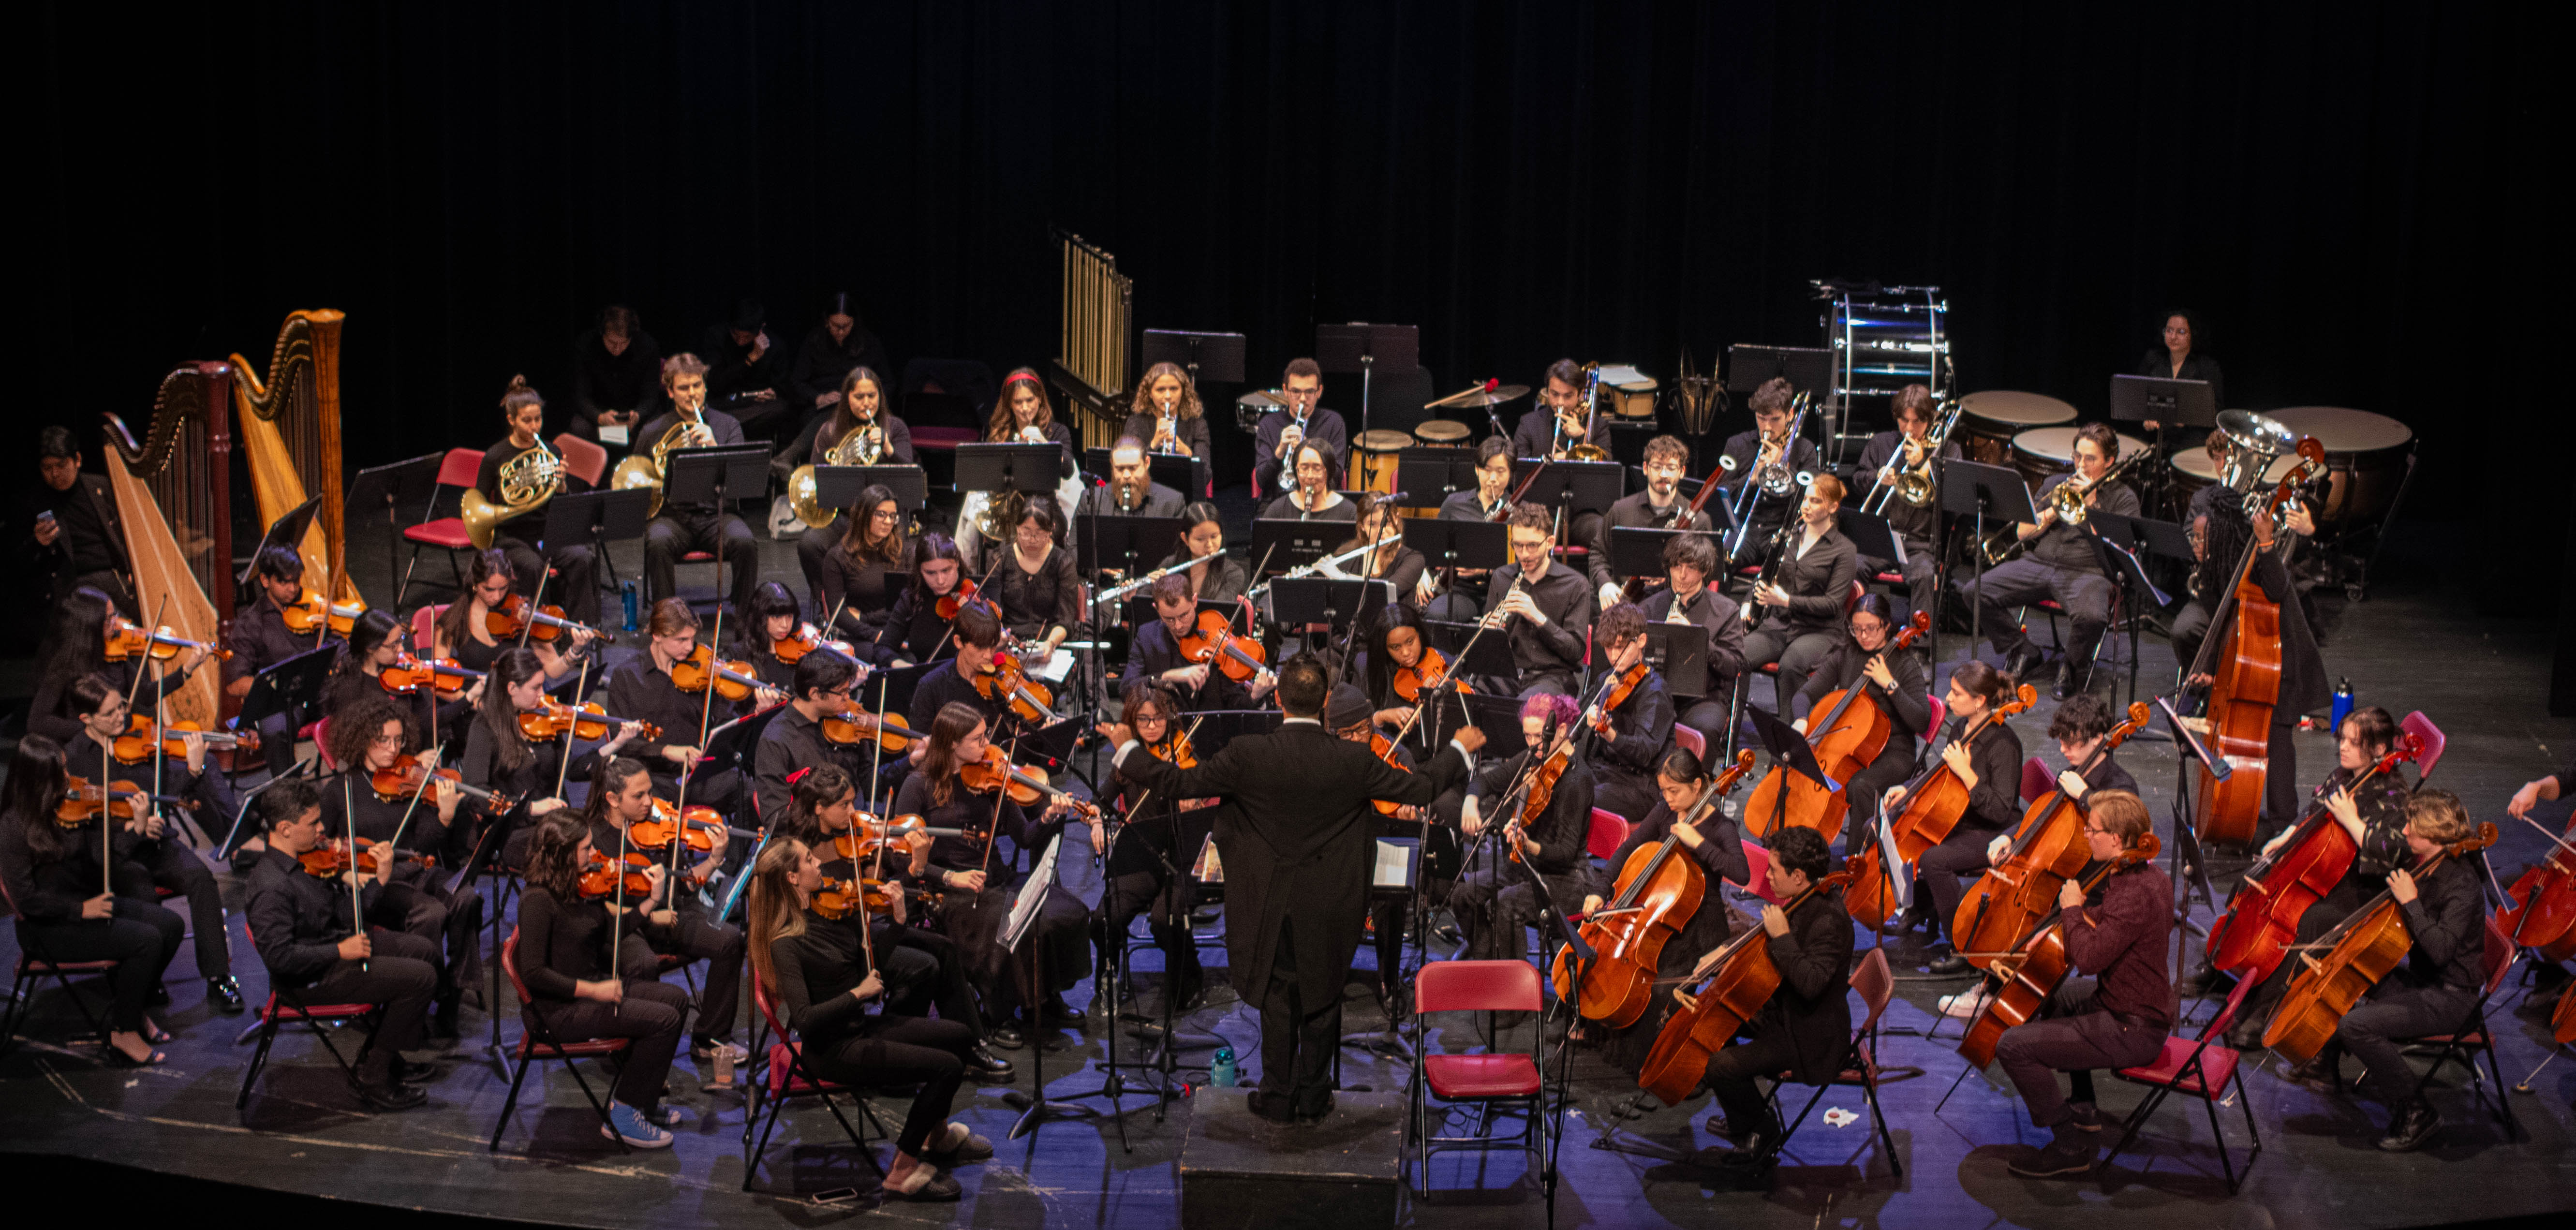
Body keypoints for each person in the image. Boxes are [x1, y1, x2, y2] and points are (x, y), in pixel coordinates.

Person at [1098, 656, 1482, 1122]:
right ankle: (1316, 1095)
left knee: (1278, 994)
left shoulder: (1246, 754)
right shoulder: (1354, 758)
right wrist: (1458, 749)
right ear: (1324, 702)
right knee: (1323, 994)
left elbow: (1178, 782)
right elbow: (1421, 788)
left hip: (1267, 899)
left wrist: (1127, 751)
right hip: (1331, 900)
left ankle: (1277, 1095)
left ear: (1278, 699)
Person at [746, 836, 996, 1199]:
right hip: (834, 1049)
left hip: (858, 1029)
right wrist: (858, 995)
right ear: (792, 878)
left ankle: (936, 1135)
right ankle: (903, 1168)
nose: (820, 864)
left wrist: (897, 920)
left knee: (959, 1036)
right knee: (947, 1067)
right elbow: (805, 1019)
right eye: (810, 860)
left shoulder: (822, 913)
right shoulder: (785, 942)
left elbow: (865, 963)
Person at [771, 766, 1014, 1078]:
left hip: (860, 927)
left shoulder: (854, 838)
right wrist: (909, 874)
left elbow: (886, 886)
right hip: (839, 945)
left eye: (852, 802)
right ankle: (898, 1052)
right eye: (844, 805)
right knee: (924, 965)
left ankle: (971, 1041)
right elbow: (861, 902)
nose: (854, 812)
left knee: (943, 947)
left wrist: (923, 869)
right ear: (819, 808)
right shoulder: (804, 856)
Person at [1989, 789, 2172, 1178]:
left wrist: (2071, 908)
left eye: (2093, 829)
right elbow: (2106, 917)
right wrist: (2062, 927)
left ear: (2117, 841)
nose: (2086, 834)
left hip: (2130, 1025)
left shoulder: (2135, 894)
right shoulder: (2147, 875)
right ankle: (2084, 1106)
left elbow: (2089, 959)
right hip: (2126, 1002)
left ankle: (2069, 1145)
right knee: (2053, 994)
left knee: (2013, 1045)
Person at [2217, 708, 2415, 1057]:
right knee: (2253, 877)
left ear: (2381, 750)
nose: (2344, 748)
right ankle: (2222, 962)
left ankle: (2266, 1010)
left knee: (2309, 920)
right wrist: (2287, 835)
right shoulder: (2345, 773)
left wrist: (2354, 822)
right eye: (2344, 739)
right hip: (2325, 874)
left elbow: (2395, 850)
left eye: (2356, 742)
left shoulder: (2395, 794)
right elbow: (2312, 809)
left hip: (2360, 889)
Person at [891, 702, 1087, 1048]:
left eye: (986, 737)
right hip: (949, 888)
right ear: (952, 742)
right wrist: (952, 876)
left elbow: (1025, 837)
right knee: (1013, 924)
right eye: (978, 739)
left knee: (1064, 912)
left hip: (995, 877)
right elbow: (903, 859)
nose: (987, 746)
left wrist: (1049, 816)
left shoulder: (992, 777)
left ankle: (1043, 998)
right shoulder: (917, 785)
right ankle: (1001, 1012)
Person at [244, 779, 442, 1111]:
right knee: (421, 977)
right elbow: (280, 958)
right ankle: (374, 1074)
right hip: (310, 978)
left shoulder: (310, 862)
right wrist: (339, 951)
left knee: (425, 951)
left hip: (335, 948)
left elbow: (346, 916)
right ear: (285, 829)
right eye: (314, 823)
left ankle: (383, 1052)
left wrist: (379, 878)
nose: (324, 829)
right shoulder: (271, 888)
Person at [2307, 788, 2487, 1152]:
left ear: (2434, 836)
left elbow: (2439, 951)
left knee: (2357, 1024)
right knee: (2352, 976)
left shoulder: (2463, 886)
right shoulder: (2428, 863)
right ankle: (2325, 1062)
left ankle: (2419, 1112)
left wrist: (2412, 902)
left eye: (2412, 826)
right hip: (2426, 983)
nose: (2404, 831)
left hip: (2453, 999)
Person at [57, 674, 243, 1012]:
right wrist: (132, 826)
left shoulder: (136, 741)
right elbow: (86, 827)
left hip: (155, 840)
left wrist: (194, 767)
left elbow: (169, 790)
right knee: (141, 893)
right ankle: (148, 976)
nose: (121, 717)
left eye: (122, 707)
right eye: (111, 713)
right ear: (86, 719)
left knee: (201, 878)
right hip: (116, 852)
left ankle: (219, 977)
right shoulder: (75, 758)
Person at [0, 736, 185, 1066]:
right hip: (48, 926)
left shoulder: (73, 809)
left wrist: (135, 827)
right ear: (38, 781)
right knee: (146, 941)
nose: (71, 778)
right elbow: (26, 900)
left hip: (88, 903)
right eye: (62, 771)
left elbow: (104, 860)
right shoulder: (13, 827)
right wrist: (80, 909)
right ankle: (123, 1029)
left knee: (171, 925)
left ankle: (130, 1005)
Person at [511, 809, 691, 1147]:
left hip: (587, 993)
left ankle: (644, 1101)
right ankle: (623, 1113)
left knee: (677, 1000)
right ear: (563, 854)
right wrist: (594, 989)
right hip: (556, 1011)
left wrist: (652, 900)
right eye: (587, 849)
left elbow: (613, 931)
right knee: (662, 1019)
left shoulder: (575, 888)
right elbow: (533, 974)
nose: (596, 855)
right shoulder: (537, 900)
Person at [319, 693, 487, 1035]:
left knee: (466, 896)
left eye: (398, 740)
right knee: (431, 913)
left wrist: (443, 816)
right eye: (383, 741)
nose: (393, 749)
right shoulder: (341, 790)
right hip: (376, 882)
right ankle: (423, 992)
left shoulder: (412, 780)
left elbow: (423, 846)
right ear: (361, 740)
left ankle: (454, 991)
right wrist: (348, 871)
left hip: (417, 870)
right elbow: (322, 845)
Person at [1683, 826, 1851, 1160]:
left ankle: (1762, 1129)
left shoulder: (1829, 919)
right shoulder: (1804, 899)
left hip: (1809, 1033)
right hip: (1785, 1011)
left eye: (1774, 869)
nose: (1768, 876)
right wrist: (1726, 952)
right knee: (1712, 1024)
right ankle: (1744, 1117)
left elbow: (1811, 983)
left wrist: (1783, 937)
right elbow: (1764, 939)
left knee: (1721, 1065)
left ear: (1799, 875)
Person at [1580, 748, 1752, 1070]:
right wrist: (1600, 890)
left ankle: (1657, 1061)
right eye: (1664, 791)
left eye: (1675, 791)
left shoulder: (1720, 827)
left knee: (1659, 987)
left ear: (1699, 785)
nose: (1668, 798)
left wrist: (1697, 842)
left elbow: (1741, 872)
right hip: (1661, 912)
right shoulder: (1663, 813)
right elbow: (1628, 849)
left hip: (1701, 923)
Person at [2173, 492, 2326, 836]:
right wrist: (2212, 667)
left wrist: (2267, 543)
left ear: (2222, 537)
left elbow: (2277, 588)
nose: (2195, 544)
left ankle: (2284, 824)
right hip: (2252, 653)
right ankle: (2242, 812)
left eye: (2201, 537)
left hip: (2281, 651)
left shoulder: (2255, 559)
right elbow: (2222, 622)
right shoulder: (2214, 569)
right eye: (2194, 537)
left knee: (2279, 736)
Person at [580, 757, 747, 1067]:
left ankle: (710, 1038)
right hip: (626, 926)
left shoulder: (659, 829)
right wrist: (646, 914)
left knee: (729, 940)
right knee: (642, 963)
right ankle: (636, 1054)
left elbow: (684, 885)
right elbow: (593, 904)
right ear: (613, 800)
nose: (649, 802)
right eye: (639, 796)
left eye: (649, 793)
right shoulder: (594, 839)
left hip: (670, 918)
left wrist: (714, 859)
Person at [1964, 421, 2140, 699]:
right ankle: (2023, 649)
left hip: (2090, 572)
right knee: (1975, 591)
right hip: (2040, 563)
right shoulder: (2056, 485)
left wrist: (2092, 506)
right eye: (2077, 457)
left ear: (2110, 461)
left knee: (2093, 617)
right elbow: (2022, 532)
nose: (2081, 466)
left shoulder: (2124, 498)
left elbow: (2121, 551)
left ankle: (2071, 667)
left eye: (2090, 459)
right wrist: (2050, 514)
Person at [1880, 661, 2025, 972]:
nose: (1947, 699)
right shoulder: (1961, 727)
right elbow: (1942, 773)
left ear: (1979, 701)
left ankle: (1962, 946)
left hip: (1992, 830)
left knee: (1935, 859)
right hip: (1957, 814)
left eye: (1957, 694)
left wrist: (1967, 773)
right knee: (1886, 825)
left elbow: (2000, 810)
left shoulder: (2005, 745)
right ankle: (1918, 905)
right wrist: (1908, 789)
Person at [1450, 694, 1603, 987]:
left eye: (1539, 735)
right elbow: (1486, 781)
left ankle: (1516, 993)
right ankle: (1489, 965)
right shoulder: (1533, 758)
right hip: (1528, 866)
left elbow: (1566, 852)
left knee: (1506, 904)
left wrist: (1528, 844)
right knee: (1464, 894)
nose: (1532, 743)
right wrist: (1470, 802)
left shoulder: (1576, 779)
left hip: (1566, 877)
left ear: (1561, 730)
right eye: (1527, 735)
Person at [1092, 681, 1218, 1010]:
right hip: (1144, 857)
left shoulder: (1182, 752)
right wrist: (1094, 821)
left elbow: (1205, 800)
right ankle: (1109, 977)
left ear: (1170, 718)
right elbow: (1101, 801)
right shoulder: (1127, 759)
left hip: (1182, 858)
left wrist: (1194, 807)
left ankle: (1189, 975)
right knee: (1106, 917)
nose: (1151, 727)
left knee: (1166, 920)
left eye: (1158, 719)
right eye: (1144, 720)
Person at [1783, 595, 1931, 858]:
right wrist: (1801, 720)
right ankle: (1796, 853)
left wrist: (1890, 685)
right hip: (1849, 746)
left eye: (1871, 629)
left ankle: (1857, 864)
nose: (1863, 636)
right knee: (1796, 764)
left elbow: (1921, 720)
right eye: (1857, 628)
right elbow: (1804, 695)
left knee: (1860, 786)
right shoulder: (1846, 655)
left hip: (1893, 751)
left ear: (1887, 626)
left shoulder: (1904, 664)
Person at [465, 648, 644, 854]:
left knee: (610, 831)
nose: (543, 694)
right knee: (574, 847)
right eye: (536, 688)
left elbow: (572, 769)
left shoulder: (543, 720)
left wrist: (616, 743)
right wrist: (531, 808)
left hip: (555, 822)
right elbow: (475, 793)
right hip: (513, 830)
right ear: (512, 688)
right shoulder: (484, 727)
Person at [605, 597, 771, 812]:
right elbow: (620, 740)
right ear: (657, 635)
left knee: (750, 794)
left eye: (692, 639)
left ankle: (727, 847)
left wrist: (758, 712)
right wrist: (665, 750)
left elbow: (726, 722)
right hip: (654, 780)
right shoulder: (626, 677)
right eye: (681, 640)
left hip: (699, 776)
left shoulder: (703, 670)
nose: (690, 647)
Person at [636, 353, 762, 617]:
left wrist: (715, 447)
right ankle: (667, 620)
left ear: (705, 386)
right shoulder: (653, 431)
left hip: (717, 515)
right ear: (670, 392)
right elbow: (639, 478)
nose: (692, 393)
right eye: (683, 388)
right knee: (657, 541)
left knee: (745, 541)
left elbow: (741, 484)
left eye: (697, 385)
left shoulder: (728, 426)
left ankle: (746, 620)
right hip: (673, 517)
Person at [473, 376, 603, 626]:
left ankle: (579, 630)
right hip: (512, 536)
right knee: (532, 567)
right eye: (527, 420)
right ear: (511, 420)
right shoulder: (496, 456)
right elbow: (479, 499)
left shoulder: (551, 452)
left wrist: (563, 485)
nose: (535, 426)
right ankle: (540, 632)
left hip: (548, 532)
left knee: (583, 558)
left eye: (538, 419)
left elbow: (563, 505)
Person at [28, 585, 209, 749]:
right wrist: (91, 729)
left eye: (115, 614)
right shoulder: (65, 665)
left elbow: (145, 695)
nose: (117, 622)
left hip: (119, 743)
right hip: (87, 748)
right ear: (92, 624)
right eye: (109, 619)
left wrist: (187, 670)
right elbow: (37, 722)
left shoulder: (115, 653)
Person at [787, 367, 915, 600]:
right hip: (845, 516)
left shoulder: (895, 428)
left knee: (900, 550)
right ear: (847, 398)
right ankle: (831, 605)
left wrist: (889, 449)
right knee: (809, 544)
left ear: (880, 396)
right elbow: (817, 480)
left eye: (872, 396)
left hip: (887, 516)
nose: (867, 403)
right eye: (859, 397)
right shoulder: (830, 431)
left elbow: (909, 476)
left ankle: (891, 609)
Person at [1740, 474, 1859, 716]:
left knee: (1791, 665)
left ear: (1833, 507)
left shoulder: (1844, 550)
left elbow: (1833, 604)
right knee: (1737, 656)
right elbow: (1764, 574)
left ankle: (1790, 744)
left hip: (1819, 631)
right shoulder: (1788, 538)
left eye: (1815, 501)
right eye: (1805, 500)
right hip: (1780, 625)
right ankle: (1727, 735)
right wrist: (1747, 603)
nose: (1806, 506)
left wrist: (1786, 601)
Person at [1852, 385, 1959, 622]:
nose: (1910, 429)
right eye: (1904, 420)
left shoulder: (1949, 449)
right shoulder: (1881, 444)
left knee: (1924, 576)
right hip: (1882, 537)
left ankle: (1919, 648)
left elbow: (1954, 502)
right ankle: (1855, 633)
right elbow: (1857, 480)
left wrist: (1925, 464)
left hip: (1920, 543)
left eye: (1918, 421)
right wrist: (1876, 477)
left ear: (1931, 419)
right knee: (1852, 565)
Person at [1638, 533, 1747, 754]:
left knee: (1703, 730)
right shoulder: (1648, 608)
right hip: (1655, 693)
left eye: (1691, 568)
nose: (1682, 575)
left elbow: (1735, 665)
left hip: (1704, 698)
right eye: (1677, 566)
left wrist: (1697, 640)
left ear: (1705, 571)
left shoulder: (1726, 611)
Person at [21, 425, 137, 623]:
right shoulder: (36, 501)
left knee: (141, 624)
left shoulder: (100, 487)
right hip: (73, 585)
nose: (55, 474)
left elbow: (126, 532)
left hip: (113, 578)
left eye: (61, 465)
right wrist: (38, 542)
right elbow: (19, 560)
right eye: (47, 468)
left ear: (78, 460)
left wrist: (133, 569)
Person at [432, 548, 598, 682]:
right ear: (475, 585)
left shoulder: (522, 614)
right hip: (477, 706)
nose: (497, 597)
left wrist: (575, 650)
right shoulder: (454, 619)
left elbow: (554, 670)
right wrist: (469, 701)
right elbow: (439, 679)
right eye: (489, 589)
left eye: (503, 588)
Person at [1480, 501, 1592, 697]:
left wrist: (1538, 617)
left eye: (1532, 545)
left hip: (1553, 678)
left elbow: (1575, 651)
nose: (1524, 554)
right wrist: (1487, 632)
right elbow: (1491, 649)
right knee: (1468, 695)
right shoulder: (1502, 578)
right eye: (1518, 545)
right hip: (1508, 674)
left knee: (1528, 708)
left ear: (1550, 542)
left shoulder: (1575, 584)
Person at [1122, 574, 1275, 713]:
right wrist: (1168, 676)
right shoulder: (1147, 636)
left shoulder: (1217, 635)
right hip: (1163, 730)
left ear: (1194, 601)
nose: (1178, 626)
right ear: (1156, 609)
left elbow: (1234, 705)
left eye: (1184, 615)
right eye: (1169, 619)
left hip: (1211, 733)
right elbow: (1125, 689)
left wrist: (1255, 696)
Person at [1588, 434, 1711, 608]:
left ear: (1682, 472)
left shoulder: (1699, 520)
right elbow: (1598, 553)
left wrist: (1671, 577)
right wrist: (1605, 584)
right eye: (1657, 467)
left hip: (1674, 607)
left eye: (1671, 468)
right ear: (1646, 468)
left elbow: (1707, 574)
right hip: (1625, 604)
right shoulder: (1621, 509)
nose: (1663, 474)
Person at [1713, 378, 1823, 565]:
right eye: (1761, 419)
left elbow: (1813, 498)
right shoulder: (1737, 444)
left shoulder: (1805, 449)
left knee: (1790, 566)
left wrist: (1785, 467)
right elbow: (1722, 497)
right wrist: (1753, 477)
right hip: (1743, 529)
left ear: (1790, 416)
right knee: (1716, 559)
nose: (1767, 427)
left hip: (1780, 530)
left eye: (1775, 419)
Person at [321, 607, 482, 734]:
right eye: (394, 645)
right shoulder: (350, 690)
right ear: (370, 648)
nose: (402, 650)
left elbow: (427, 723)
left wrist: (469, 698)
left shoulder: (404, 677)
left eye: (402, 640)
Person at [751, 649, 864, 829]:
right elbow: (775, 817)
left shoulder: (845, 725)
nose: (848, 698)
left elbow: (870, 780)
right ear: (814, 694)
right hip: (809, 843)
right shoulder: (776, 740)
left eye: (848, 690)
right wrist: (827, 815)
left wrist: (909, 762)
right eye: (842, 692)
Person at [1585, 603, 1675, 825]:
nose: (1614, 657)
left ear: (1641, 641)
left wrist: (1611, 735)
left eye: (1621, 648)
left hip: (1638, 786)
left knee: (1578, 797)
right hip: (1604, 772)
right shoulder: (1606, 680)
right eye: (1608, 648)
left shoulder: (1655, 692)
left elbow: (1645, 751)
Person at [1425, 437, 1516, 622]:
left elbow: (1525, 564)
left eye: (1500, 472)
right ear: (1476, 469)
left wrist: (1485, 570)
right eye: (1487, 470)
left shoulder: (1520, 511)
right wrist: (1422, 575)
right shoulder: (1454, 503)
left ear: (1511, 473)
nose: (1493, 479)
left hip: (1504, 592)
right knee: (1437, 614)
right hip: (1461, 591)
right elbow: (1432, 550)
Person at [814, 484, 911, 647]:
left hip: (896, 628)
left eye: (893, 516)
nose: (888, 522)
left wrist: (866, 617)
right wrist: (876, 635)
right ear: (864, 515)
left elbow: (907, 605)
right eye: (881, 515)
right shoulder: (837, 557)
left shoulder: (904, 552)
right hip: (859, 635)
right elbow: (839, 614)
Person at [983, 498, 1080, 660]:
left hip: (1049, 643)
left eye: (1039, 533)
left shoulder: (1064, 563)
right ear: (1017, 527)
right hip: (1008, 645)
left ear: (1051, 530)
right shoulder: (1000, 559)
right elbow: (991, 610)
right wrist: (1000, 635)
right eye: (1026, 532)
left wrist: (1050, 643)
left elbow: (1066, 620)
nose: (1032, 539)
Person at [567, 305, 661, 450]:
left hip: (634, 415)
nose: (617, 349)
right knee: (579, 427)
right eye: (612, 343)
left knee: (655, 427)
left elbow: (651, 396)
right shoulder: (585, 346)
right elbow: (581, 395)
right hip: (599, 415)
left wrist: (637, 415)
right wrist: (599, 417)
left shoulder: (648, 347)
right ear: (602, 334)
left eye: (623, 343)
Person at [1254, 358, 1348, 497]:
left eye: (1309, 391)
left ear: (1319, 391)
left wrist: (1307, 448)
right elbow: (1262, 481)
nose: (1303, 398)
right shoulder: (1268, 424)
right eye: (1296, 391)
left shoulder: (1333, 422)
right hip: (1277, 500)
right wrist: (1280, 451)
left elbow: (1337, 477)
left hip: (1321, 499)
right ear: (1285, 390)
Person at [785, 291, 892, 413]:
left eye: (846, 326)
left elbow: (888, 383)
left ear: (854, 322)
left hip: (861, 406)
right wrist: (818, 398)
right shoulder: (814, 341)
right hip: (823, 406)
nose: (841, 332)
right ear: (827, 322)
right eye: (836, 326)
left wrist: (865, 398)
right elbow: (797, 382)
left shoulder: (869, 343)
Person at [874, 533, 968, 668]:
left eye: (946, 570)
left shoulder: (973, 596)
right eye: (931, 573)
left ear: (958, 563)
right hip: (924, 680)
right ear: (920, 570)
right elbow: (883, 648)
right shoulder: (912, 598)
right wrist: (900, 665)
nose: (940, 581)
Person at [701, 298, 790, 440]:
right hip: (724, 403)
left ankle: (729, 427)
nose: (741, 341)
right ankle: (729, 426)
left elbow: (781, 388)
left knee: (780, 408)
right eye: (736, 336)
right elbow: (714, 384)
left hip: (754, 407)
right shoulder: (716, 337)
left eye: (747, 337)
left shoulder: (775, 345)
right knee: (706, 410)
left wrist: (772, 393)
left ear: (761, 330)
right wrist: (750, 359)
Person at [1321, 493, 1426, 612]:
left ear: (1396, 519)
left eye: (1387, 522)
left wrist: (1341, 577)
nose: (1381, 531)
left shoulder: (1413, 559)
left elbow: (1389, 589)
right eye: (1372, 524)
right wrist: (1305, 582)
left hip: (1393, 627)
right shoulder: (1345, 554)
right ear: (1362, 527)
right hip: (1350, 628)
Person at [1510, 358, 1611, 460]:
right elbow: (1518, 468)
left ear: (1580, 394)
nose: (1560, 402)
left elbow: (1607, 465)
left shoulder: (1599, 426)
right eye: (1555, 394)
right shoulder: (1528, 423)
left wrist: (1581, 436)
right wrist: (1551, 459)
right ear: (1548, 391)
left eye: (1568, 396)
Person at [2135, 309, 2225, 421]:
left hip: (2193, 434)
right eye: (2169, 331)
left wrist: (2186, 419)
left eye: (2181, 332)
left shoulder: (2208, 366)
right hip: (2157, 432)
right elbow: (2138, 397)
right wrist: (2148, 418)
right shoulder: (2152, 359)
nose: (2173, 337)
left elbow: (2216, 409)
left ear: (2193, 334)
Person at [1125, 361, 1213, 468]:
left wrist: (1187, 453)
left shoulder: (1197, 424)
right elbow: (1127, 468)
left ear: (1183, 391)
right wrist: (1153, 445)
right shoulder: (1135, 423)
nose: (1168, 396)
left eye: (1174, 389)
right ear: (1150, 393)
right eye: (1160, 390)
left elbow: (1206, 475)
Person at [1155, 503, 1248, 604]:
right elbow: (1146, 605)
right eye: (1200, 539)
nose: (1209, 545)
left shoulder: (1233, 574)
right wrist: (1156, 589)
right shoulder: (1169, 565)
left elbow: (1215, 612)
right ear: (1185, 539)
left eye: (1214, 537)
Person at [1078, 436, 1185, 520]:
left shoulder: (1173, 503)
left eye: (1133, 468)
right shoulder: (1090, 499)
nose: (1126, 475)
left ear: (1147, 463)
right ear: (1112, 464)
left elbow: (1180, 548)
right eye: (1120, 469)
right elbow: (1074, 547)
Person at [1259, 442, 1353, 521]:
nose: (1310, 476)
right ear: (1296, 471)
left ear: (1329, 471)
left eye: (1317, 469)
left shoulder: (1349, 513)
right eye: (1304, 469)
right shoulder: (1277, 511)